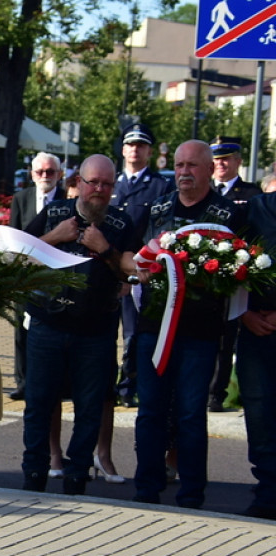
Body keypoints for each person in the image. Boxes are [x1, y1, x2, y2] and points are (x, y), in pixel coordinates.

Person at [21, 154, 139, 496]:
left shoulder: (120, 223)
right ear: (78, 183)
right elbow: (18, 256)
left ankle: (76, 476)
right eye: (92, 183)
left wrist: (105, 250)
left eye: (106, 184)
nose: (98, 190)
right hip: (48, 324)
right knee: (39, 403)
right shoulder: (55, 213)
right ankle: (34, 474)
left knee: (89, 408)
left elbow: (131, 271)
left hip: (97, 331)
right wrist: (56, 236)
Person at [133, 140, 242, 509]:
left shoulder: (228, 214)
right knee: (150, 410)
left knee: (191, 414)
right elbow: (132, 256)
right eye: (179, 165)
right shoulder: (158, 209)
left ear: (210, 169)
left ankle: (192, 493)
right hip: (154, 329)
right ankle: (146, 488)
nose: (183, 172)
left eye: (192, 166)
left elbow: (240, 268)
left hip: (200, 331)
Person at [111, 123, 174, 410]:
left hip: (141, 272)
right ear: (123, 150)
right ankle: (107, 383)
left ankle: (128, 385)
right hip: (108, 269)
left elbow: (159, 232)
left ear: (149, 151)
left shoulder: (161, 186)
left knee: (133, 333)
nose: (135, 150)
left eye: (141, 145)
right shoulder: (111, 182)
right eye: (130, 145)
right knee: (104, 331)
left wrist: (136, 270)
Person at [208, 136, 261, 412]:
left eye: (226, 159)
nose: (220, 164)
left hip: (231, 276)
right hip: (201, 277)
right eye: (216, 159)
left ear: (238, 162)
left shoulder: (251, 195)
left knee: (226, 336)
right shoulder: (205, 191)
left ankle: (218, 392)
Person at [8, 152, 63, 401]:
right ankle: (23, 382)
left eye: (50, 172)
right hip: (26, 274)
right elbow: (14, 236)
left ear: (59, 175)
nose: (45, 176)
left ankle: (55, 383)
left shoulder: (67, 200)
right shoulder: (21, 199)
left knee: (54, 330)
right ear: (32, 174)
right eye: (40, 172)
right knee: (21, 329)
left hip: (58, 275)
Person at [237, 192, 276, 520]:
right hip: (254, 327)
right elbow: (229, 265)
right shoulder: (254, 209)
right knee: (259, 411)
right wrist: (244, 313)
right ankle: (267, 492)